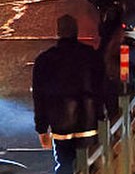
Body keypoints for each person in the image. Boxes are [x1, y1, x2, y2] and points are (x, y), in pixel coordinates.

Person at [32, 15, 105, 174]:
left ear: (58, 32)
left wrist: (42, 128)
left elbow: (39, 97)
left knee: (65, 166)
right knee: (91, 165)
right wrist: (101, 115)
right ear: (76, 32)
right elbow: (101, 87)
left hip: (60, 124)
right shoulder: (91, 56)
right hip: (88, 121)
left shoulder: (44, 60)